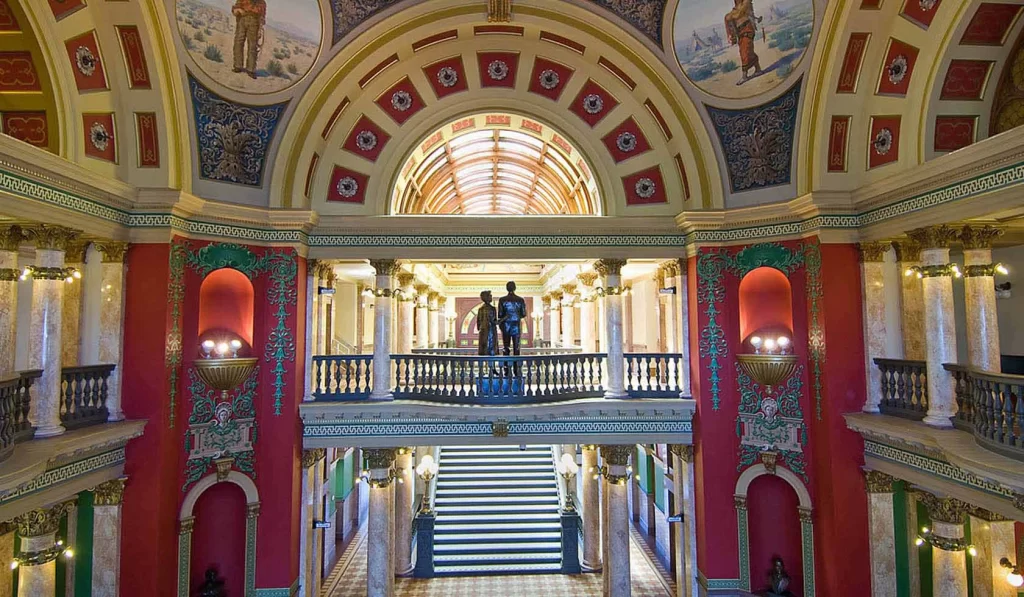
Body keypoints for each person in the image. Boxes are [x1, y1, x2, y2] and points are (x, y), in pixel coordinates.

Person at [725, 0, 763, 85]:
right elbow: (730, 17)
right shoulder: (735, 8)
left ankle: (744, 76)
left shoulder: (746, 2)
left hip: (747, 29)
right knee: (748, 51)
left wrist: (730, 16)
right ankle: (758, 70)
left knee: (745, 52)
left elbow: (738, 14)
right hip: (740, 32)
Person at [232, 0, 266, 80]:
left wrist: (260, 29)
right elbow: (236, 8)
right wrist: (238, 10)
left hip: (254, 22)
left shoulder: (261, 2)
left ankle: (251, 69)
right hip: (242, 19)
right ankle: (238, 66)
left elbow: (262, 16)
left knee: (253, 46)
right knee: (238, 42)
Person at [498, 281, 527, 356]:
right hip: (516, 325)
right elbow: (524, 314)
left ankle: (505, 363)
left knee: (506, 347)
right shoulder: (520, 300)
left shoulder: (502, 300)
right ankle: (516, 363)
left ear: (506, 288)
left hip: (506, 325)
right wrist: (516, 316)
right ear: (515, 288)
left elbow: (500, 314)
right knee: (516, 347)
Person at [476, 291, 498, 356]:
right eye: (490, 295)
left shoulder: (480, 309)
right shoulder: (492, 309)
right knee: (491, 351)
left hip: (482, 332)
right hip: (491, 332)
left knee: (483, 352)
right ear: (487, 297)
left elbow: (478, 324)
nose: (491, 297)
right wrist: (505, 318)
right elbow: (494, 321)